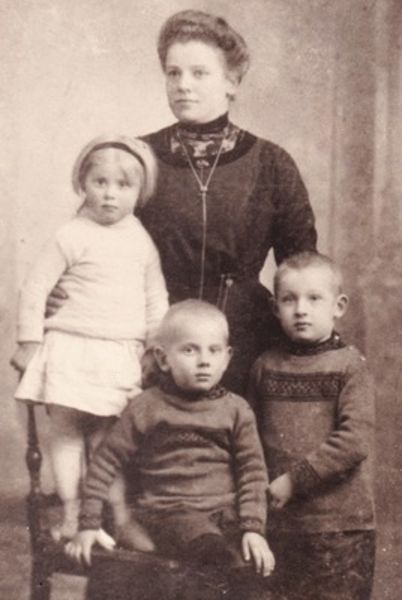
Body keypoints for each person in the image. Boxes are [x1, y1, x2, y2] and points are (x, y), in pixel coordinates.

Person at [47, 9, 317, 394]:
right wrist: (62, 291)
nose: (183, 85)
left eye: (198, 73)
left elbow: (303, 268)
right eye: (173, 73)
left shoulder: (271, 163)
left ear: (231, 82)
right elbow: (86, 244)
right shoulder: (135, 159)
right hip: (155, 345)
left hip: (246, 346)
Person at [10, 134, 169, 541]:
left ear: (140, 192)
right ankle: (70, 512)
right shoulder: (71, 234)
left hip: (118, 353)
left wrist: (155, 349)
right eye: (100, 182)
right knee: (65, 435)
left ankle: (113, 516)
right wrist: (29, 342)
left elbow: (156, 299)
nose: (110, 194)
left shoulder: (140, 240)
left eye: (123, 185)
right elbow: (35, 288)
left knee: (108, 442)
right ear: (83, 183)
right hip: (71, 348)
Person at [65, 300, 275, 599]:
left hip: (226, 515)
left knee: (255, 562)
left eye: (214, 350)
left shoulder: (236, 410)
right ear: (163, 359)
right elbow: (104, 463)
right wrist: (88, 523)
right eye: (190, 350)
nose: (204, 361)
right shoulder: (147, 407)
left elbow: (253, 472)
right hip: (171, 513)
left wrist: (253, 528)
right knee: (215, 558)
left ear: (227, 358)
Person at [248, 251, 376, 599]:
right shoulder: (264, 367)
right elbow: (249, 441)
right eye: (289, 299)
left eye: (314, 298)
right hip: (281, 527)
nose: (301, 309)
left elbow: (354, 440)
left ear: (338, 306)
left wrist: (294, 480)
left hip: (340, 529)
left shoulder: (350, 366)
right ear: (275, 308)